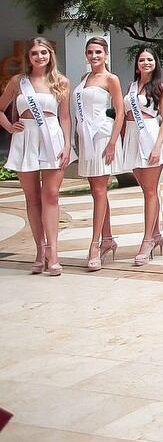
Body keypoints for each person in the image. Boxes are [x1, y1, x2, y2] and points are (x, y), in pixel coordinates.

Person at [0, 38, 72, 275]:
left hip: (52, 138)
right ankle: (39, 250)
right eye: (34, 53)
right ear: (28, 57)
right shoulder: (18, 82)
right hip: (26, 139)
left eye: (44, 52)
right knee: (32, 199)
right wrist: (10, 127)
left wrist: (67, 145)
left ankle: (53, 252)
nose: (39, 57)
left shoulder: (60, 82)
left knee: (50, 195)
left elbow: (64, 117)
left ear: (50, 55)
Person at [118, 47, 163, 266]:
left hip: (151, 136)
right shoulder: (131, 87)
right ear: (137, 64)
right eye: (142, 59)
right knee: (146, 190)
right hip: (133, 138)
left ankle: (147, 240)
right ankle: (157, 233)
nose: (146, 63)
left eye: (150, 59)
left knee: (151, 192)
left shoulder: (160, 88)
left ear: (155, 63)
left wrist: (157, 146)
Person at [73, 37, 125, 271]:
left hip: (102, 137)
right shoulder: (84, 79)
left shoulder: (111, 79)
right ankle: (107, 238)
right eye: (90, 52)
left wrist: (113, 142)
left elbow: (120, 112)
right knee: (97, 192)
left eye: (98, 52)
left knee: (99, 189)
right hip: (86, 138)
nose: (94, 56)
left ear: (106, 54)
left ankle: (95, 244)